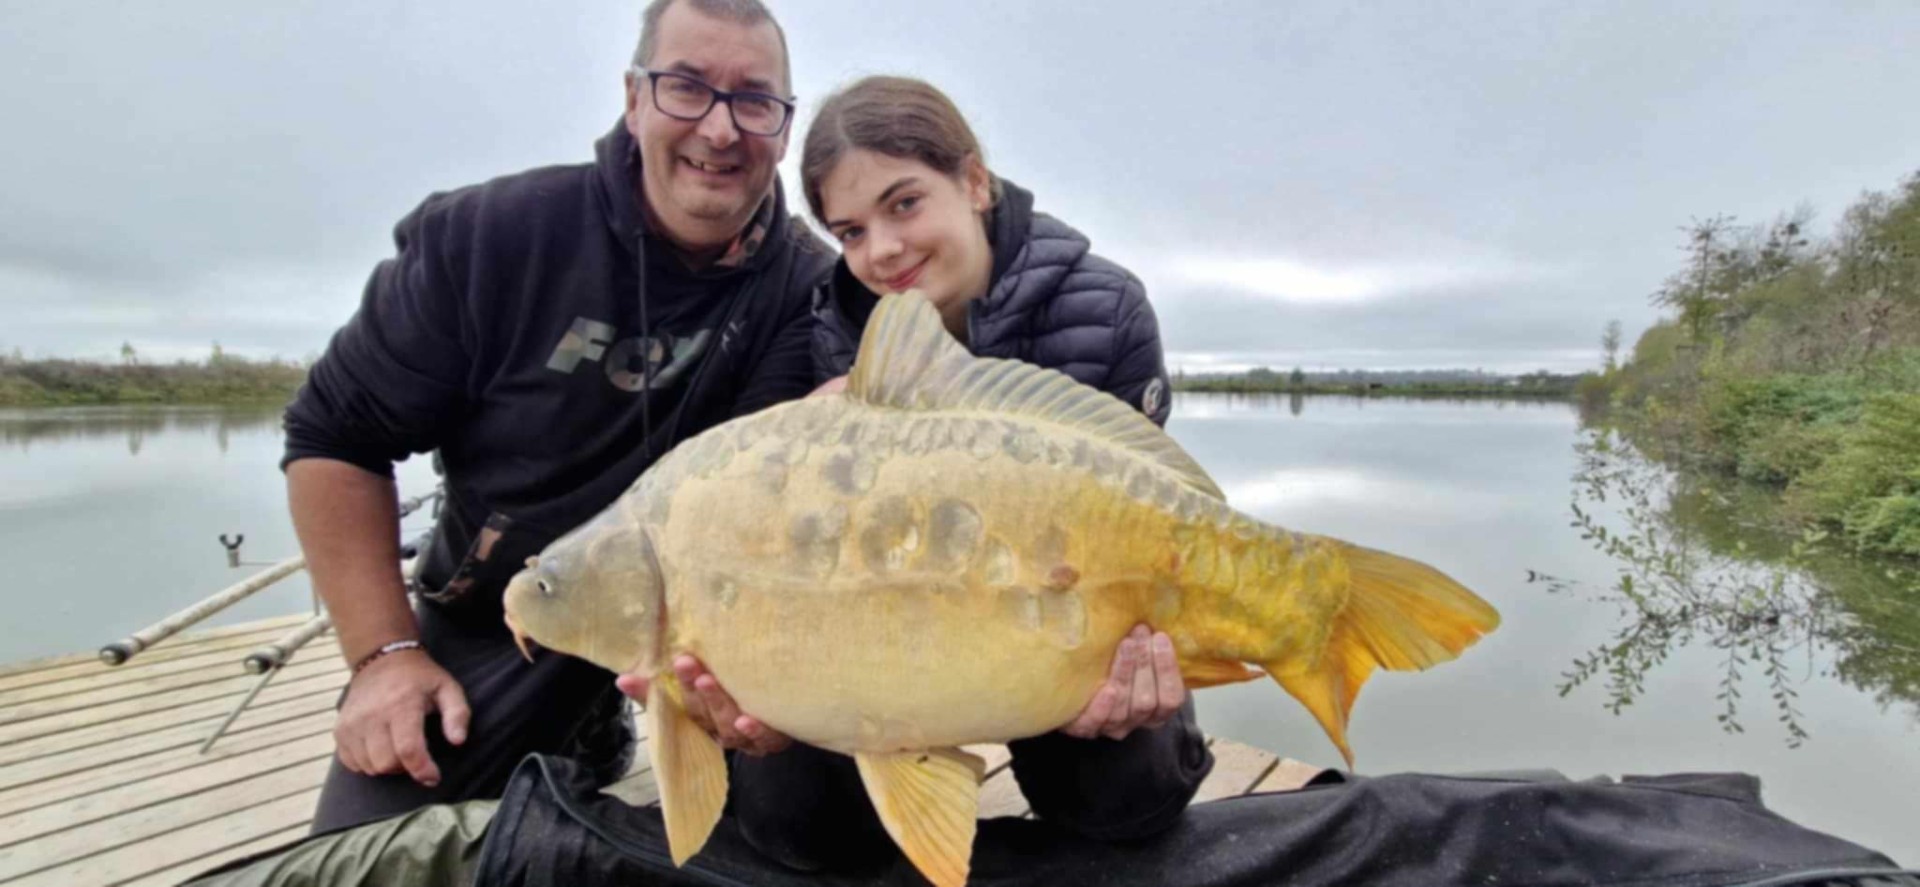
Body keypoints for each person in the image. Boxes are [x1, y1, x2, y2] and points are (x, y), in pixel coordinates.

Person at [616, 74, 1212, 875]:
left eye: (904, 204)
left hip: (1065, 626)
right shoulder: (827, 337)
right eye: (851, 231)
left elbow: (1151, 519)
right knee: (792, 821)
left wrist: (1137, 659)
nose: (882, 252)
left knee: (1126, 799)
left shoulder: (1104, 311)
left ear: (972, 180)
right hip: (889, 633)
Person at [281, 0, 831, 834]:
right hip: (508, 611)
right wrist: (384, 657)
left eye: (754, 100)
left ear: (784, 127)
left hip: (712, 621)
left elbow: (776, 494)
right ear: (634, 96)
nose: (720, 130)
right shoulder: (491, 237)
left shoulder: (806, 287)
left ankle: (606, 725)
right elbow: (333, 437)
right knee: (368, 855)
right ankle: (577, 726)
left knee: (808, 828)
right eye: (687, 86)